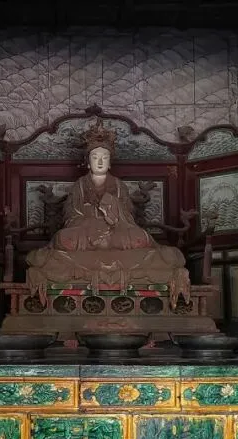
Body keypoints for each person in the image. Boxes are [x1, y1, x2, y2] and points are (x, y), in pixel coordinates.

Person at [25, 120, 189, 303]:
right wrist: (91, 218)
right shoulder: (80, 185)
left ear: (110, 162)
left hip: (116, 233)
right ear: (88, 162)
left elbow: (128, 217)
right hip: (87, 234)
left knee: (140, 237)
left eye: (104, 157)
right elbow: (71, 216)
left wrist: (113, 210)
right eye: (95, 157)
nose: (100, 161)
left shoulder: (119, 185)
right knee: (63, 239)